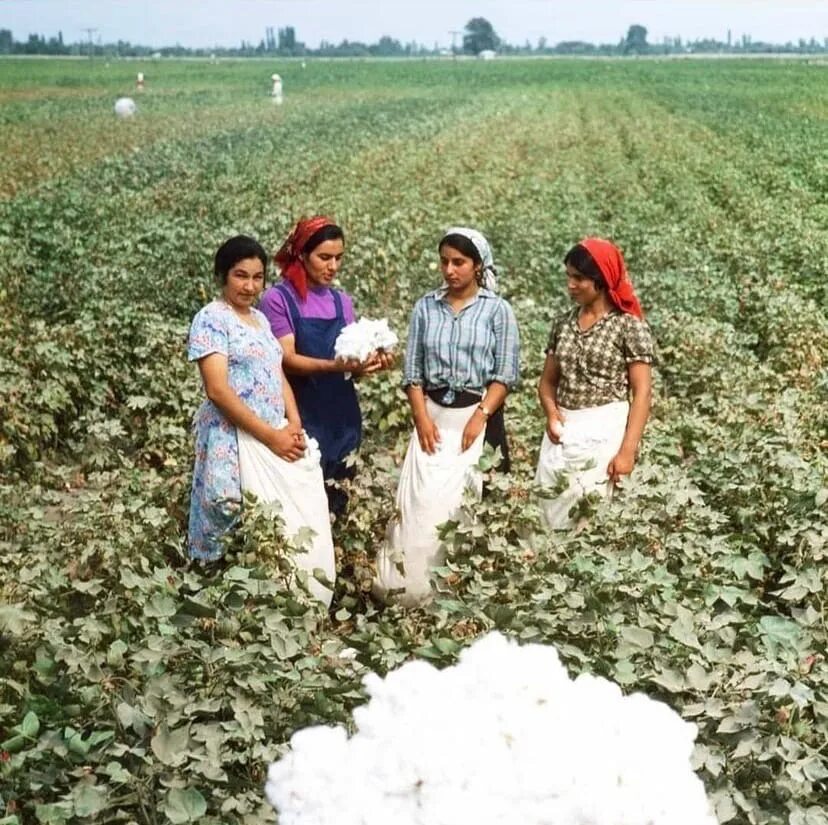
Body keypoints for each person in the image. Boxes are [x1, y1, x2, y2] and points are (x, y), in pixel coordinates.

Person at [374, 227, 520, 606]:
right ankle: (406, 591)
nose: (450, 270)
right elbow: (413, 373)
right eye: (444, 261)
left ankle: (458, 595)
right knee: (419, 502)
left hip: (477, 418)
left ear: (477, 266)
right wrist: (422, 419)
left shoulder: (497, 311)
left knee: (466, 505)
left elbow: (504, 373)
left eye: (459, 262)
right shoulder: (426, 307)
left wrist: (481, 416)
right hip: (433, 417)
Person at [187, 235, 335, 605]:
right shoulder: (211, 318)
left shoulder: (258, 319)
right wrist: (270, 435)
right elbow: (218, 391)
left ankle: (262, 604)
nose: (250, 286)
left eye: (257, 277)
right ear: (222, 276)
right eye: (240, 276)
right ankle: (215, 602)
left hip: (272, 432)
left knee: (267, 518)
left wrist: (294, 422)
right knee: (227, 508)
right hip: (232, 432)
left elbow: (277, 371)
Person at [260, 216, 392, 516]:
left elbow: (349, 359)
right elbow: (287, 360)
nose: (333, 266)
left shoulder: (341, 301)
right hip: (301, 413)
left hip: (342, 415)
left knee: (339, 498)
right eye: (324, 257)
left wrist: (368, 365)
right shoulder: (277, 299)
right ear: (302, 255)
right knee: (301, 503)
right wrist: (336, 366)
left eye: (338, 258)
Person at [535, 237, 654, 529]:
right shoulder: (563, 323)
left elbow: (642, 393)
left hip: (604, 432)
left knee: (590, 514)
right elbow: (547, 383)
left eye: (579, 279)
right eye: (568, 277)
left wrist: (627, 451)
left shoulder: (628, 326)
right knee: (549, 510)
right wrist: (552, 413)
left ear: (601, 281)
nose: (571, 285)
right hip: (563, 431)